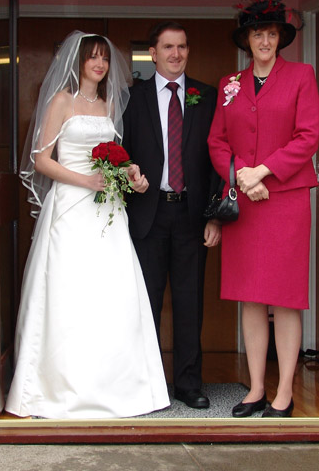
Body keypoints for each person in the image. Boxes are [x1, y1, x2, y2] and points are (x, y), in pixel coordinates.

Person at [5, 30, 170, 419]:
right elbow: (41, 159)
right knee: (69, 293)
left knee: (113, 295)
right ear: (78, 62)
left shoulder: (110, 104)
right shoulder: (61, 101)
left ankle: (120, 388)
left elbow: (115, 158)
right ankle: (55, 389)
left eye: (105, 58)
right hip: (71, 206)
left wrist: (128, 173)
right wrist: (85, 181)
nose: (99, 64)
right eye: (92, 57)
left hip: (106, 210)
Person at [208, 0, 319, 418]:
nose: (265, 41)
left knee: (285, 298)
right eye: (258, 33)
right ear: (247, 38)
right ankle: (255, 388)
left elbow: (307, 136)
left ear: (280, 38)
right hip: (245, 203)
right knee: (250, 298)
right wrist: (241, 174)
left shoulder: (301, 76)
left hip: (285, 201)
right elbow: (216, 140)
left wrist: (263, 172)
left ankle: (284, 393)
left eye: (272, 34)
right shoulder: (229, 84)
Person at [122, 21, 221, 409]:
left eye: (182, 47)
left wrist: (214, 215)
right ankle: (145, 384)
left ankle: (188, 384)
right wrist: (131, 175)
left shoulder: (206, 96)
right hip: (147, 215)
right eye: (168, 47)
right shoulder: (132, 98)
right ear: (153, 53)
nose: (176, 54)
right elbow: (121, 152)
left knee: (189, 302)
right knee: (145, 302)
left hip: (192, 217)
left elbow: (216, 160)